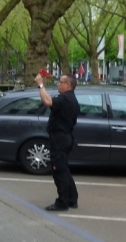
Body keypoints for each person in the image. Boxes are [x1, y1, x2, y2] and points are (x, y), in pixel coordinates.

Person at [34, 73, 79, 211]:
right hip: (64, 137)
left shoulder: (66, 99)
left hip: (60, 138)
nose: (59, 84)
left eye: (61, 82)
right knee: (63, 169)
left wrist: (40, 85)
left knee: (59, 170)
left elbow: (47, 101)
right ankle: (72, 198)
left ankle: (62, 202)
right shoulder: (70, 98)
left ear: (68, 85)